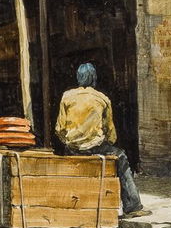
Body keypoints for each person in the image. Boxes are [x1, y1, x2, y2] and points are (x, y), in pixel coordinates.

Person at [55, 63, 145, 217]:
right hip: (95, 147)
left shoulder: (67, 96)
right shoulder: (102, 99)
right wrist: (103, 141)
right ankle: (133, 205)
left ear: (78, 78)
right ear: (94, 78)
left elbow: (59, 128)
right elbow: (111, 133)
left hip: (72, 148)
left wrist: (70, 142)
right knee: (121, 157)